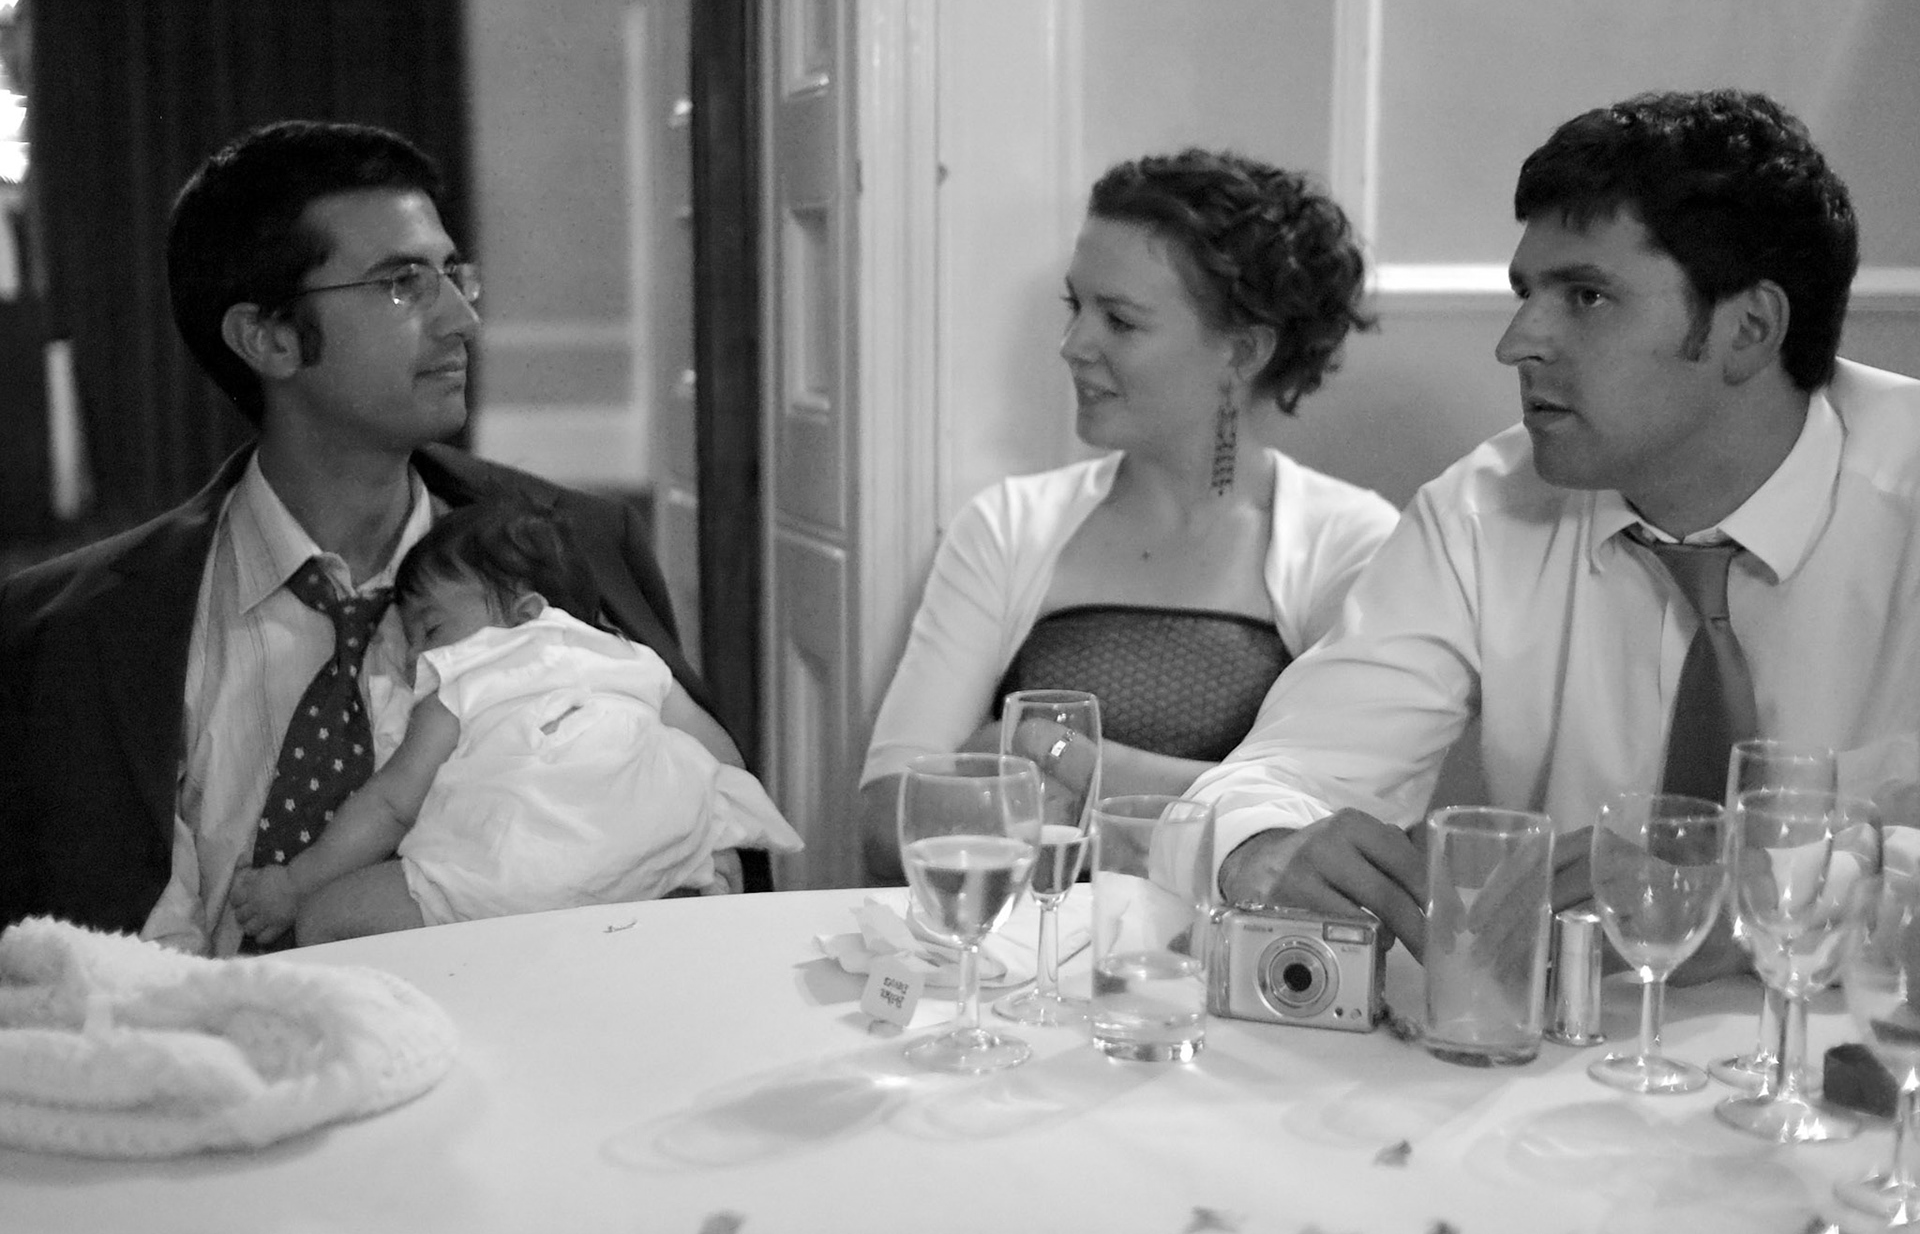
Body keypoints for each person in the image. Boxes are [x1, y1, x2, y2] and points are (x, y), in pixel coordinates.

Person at [1189, 89, 1920, 978]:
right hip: (1562, 1047)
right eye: (1525, 293)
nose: (1517, 343)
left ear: (1750, 328)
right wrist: (1261, 847)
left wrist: (1773, 891)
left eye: (1586, 296)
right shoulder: (1482, 510)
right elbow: (1277, 774)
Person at [0, 119, 750, 952]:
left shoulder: (578, 546)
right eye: (402, 283)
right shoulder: (65, 634)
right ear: (270, 338)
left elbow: (714, 829)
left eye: (453, 274)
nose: (462, 319)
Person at [860, 148, 1398, 881]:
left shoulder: (1353, 544)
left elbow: (1340, 833)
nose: (1073, 345)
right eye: (1075, 307)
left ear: (1242, 352)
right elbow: (888, 821)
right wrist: (1206, 814)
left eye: (1119, 320)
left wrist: (1042, 749)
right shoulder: (1007, 526)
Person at [228, 500, 800, 945]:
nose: (414, 659)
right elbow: (720, 755)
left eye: (429, 629)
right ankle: (687, 884)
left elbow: (391, 805)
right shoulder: (630, 659)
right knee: (689, 832)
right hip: (642, 864)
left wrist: (294, 884)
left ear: (526, 614)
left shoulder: (464, 676)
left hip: (504, 879)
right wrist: (715, 836)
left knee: (325, 921)